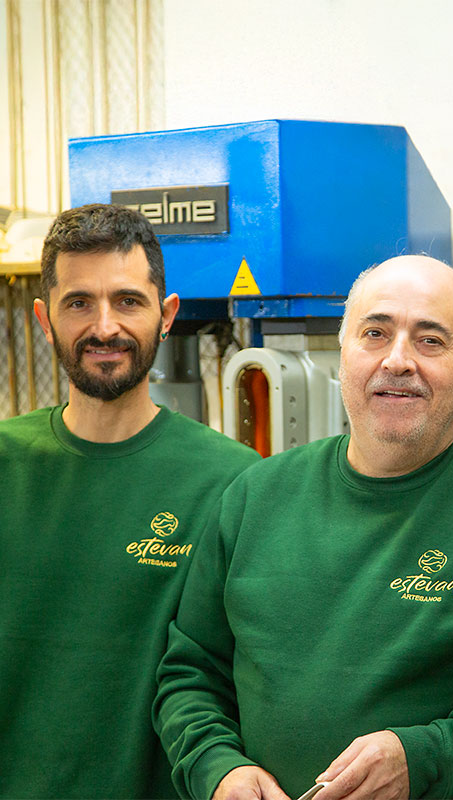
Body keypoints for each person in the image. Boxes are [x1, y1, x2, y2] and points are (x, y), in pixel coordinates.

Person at [154, 255, 453, 800]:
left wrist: (427, 759)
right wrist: (218, 769)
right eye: (375, 333)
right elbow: (191, 674)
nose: (398, 360)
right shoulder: (256, 497)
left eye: (430, 341)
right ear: (344, 353)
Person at [0, 204, 260, 799]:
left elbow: (237, 677)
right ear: (45, 319)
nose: (105, 326)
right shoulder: (6, 463)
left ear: (166, 316)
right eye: (79, 303)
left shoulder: (234, 483)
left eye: (127, 300)